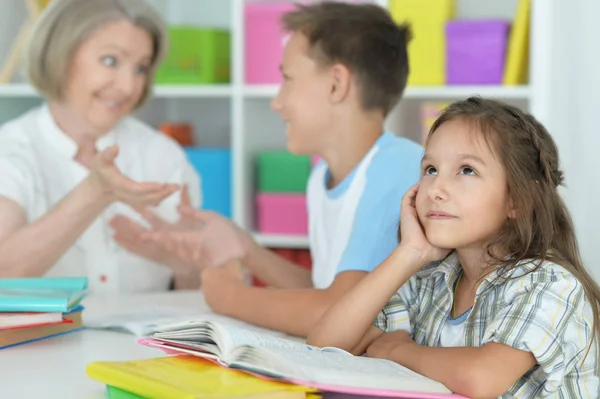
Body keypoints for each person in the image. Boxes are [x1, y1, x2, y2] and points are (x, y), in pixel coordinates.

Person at [125, 1, 423, 337]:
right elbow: (324, 288)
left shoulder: (397, 168)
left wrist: (230, 297)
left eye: (288, 79)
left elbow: (337, 310)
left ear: (336, 84)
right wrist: (246, 248)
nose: (276, 101)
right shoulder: (320, 178)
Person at [307, 97, 600, 398]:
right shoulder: (428, 280)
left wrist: (397, 349)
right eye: (431, 169)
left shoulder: (549, 284)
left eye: (467, 170)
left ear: (518, 199)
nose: (435, 189)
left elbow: (480, 378)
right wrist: (409, 253)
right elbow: (323, 346)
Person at [0, 0, 202, 293]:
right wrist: (94, 193)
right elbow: (3, 273)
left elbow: (202, 293)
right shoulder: (10, 151)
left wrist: (186, 263)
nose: (129, 87)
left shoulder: (162, 154)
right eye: (111, 61)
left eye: (140, 69)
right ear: (60, 55)